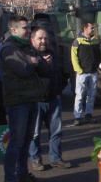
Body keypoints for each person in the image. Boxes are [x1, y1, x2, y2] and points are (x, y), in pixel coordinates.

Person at [0, 16, 49, 182]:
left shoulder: (27, 47)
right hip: (17, 100)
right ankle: (9, 180)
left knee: (26, 140)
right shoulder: (8, 49)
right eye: (24, 28)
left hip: (31, 98)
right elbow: (24, 69)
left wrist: (34, 60)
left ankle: (22, 174)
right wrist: (31, 61)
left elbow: (45, 68)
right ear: (13, 30)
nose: (28, 30)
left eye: (28, 27)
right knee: (16, 141)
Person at [28, 25, 70, 170]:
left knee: (56, 131)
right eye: (40, 38)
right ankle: (36, 159)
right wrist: (41, 64)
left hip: (54, 98)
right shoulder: (29, 55)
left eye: (45, 38)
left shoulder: (54, 53)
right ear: (32, 39)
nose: (43, 41)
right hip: (37, 100)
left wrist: (59, 88)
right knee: (34, 133)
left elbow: (62, 72)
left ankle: (56, 158)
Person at [71, 21, 101, 125]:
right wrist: (78, 70)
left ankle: (88, 115)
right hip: (82, 73)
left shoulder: (95, 41)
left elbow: (98, 55)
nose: (93, 30)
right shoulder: (77, 41)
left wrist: (98, 67)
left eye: (93, 28)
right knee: (79, 95)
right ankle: (77, 117)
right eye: (91, 28)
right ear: (85, 28)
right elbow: (74, 57)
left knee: (91, 96)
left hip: (93, 72)